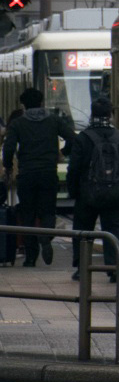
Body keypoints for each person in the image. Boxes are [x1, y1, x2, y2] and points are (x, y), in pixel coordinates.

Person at [2, 88, 75, 266]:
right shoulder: (53, 120)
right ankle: (46, 237)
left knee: (28, 214)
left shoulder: (18, 124)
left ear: (24, 105)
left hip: (26, 174)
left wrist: (9, 167)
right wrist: (62, 153)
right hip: (48, 173)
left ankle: (30, 258)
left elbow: (9, 148)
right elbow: (73, 138)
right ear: (42, 103)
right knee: (48, 211)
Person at [67, 98, 119, 282]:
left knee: (82, 231)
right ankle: (115, 269)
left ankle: (82, 268)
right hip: (114, 194)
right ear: (110, 114)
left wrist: (74, 192)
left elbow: (74, 168)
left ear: (92, 113)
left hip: (87, 194)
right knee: (113, 230)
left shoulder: (82, 138)